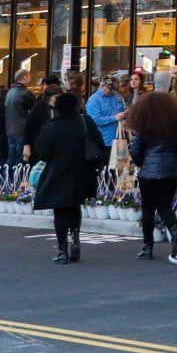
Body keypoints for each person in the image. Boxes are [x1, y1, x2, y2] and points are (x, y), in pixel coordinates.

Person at [27, 91, 107, 264]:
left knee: (60, 210)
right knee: (74, 206)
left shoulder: (51, 127)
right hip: (82, 172)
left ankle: (62, 249)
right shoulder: (85, 122)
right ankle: (75, 236)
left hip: (58, 173)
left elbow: (43, 153)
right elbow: (99, 145)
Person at [126, 88, 177, 261]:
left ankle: (148, 246)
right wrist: (171, 158)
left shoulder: (144, 126)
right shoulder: (174, 126)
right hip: (169, 171)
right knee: (165, 207)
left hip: (148, 172)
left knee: (148, 209)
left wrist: (142, 162)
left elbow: (136, 149)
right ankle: (176, 239)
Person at [85, 75, 127, 159]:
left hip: (120, 138)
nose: (111, 91)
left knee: (121, 166)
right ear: (102, 86)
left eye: (113, 89)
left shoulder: (117, 96)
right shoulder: (94, 100)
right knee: (107, 167)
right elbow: (95, 120)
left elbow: (123, 109)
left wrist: (125, 115)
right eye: (109, 88)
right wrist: (114, 118)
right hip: (104, 141)